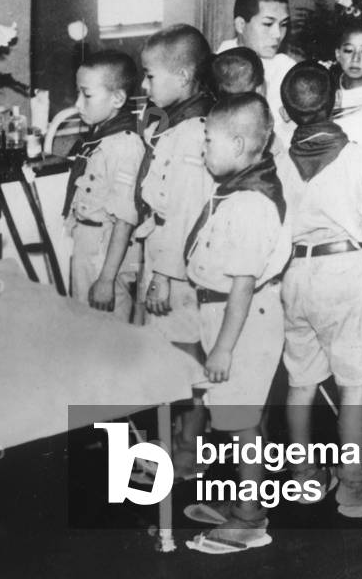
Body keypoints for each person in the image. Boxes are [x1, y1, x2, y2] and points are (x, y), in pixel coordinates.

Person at [279, 61, 362, 517]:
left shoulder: (276, 163)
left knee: (300, 383)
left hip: (295, 276)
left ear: (285, 111)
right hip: (347, 273)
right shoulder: (361, 158)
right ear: (336, 102)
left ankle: (304, 478)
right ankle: (354, 485)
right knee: (352, 387)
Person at [182, 93, 289, 553]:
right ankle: (247, 502)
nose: (202, 149)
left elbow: (243, 285)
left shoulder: (250, 203)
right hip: (227, 315)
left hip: (241, 321)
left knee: (243, 422)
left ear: (239, 143)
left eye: (209, 140)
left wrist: (223, 348)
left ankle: (250, 518)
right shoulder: (235, 191)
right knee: (244, 415)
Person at [136, 24, 216, 475]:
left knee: (179, 363)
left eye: (150, 76)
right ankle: (184, 448)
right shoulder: (175, 127)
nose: (145, 86)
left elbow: (185, 214)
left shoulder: (190, 135)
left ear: (183, 76)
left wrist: (164, 277)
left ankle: (178, 453)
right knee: (180, 361)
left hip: (178, 271)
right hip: (166, 261)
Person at [64, 50, 144, 320]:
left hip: (106, 255)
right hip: (88, 247)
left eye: (86, 95)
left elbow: (124, 220)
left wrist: (107, 279)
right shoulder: (100, 137)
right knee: (86, 334)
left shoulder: (125, 144)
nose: (78, 103)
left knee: (110, 339)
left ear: (117, 98)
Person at [217, 0, 297, 147]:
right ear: (240, 25)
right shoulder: (217, 65)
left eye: (283, 25)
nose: (277, 35)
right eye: (268, 24)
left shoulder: (287, 69)